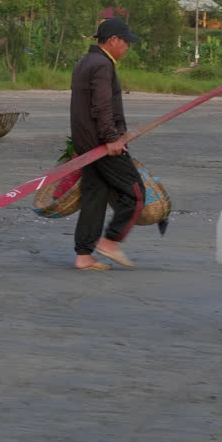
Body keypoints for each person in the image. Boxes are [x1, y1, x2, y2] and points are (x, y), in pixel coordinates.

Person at [69, 19, 144, 271]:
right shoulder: (102, 64)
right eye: (125, 42)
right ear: (113, 40)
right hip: (102, 145)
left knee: (95, 195)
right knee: (135, 193)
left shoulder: (85, 61)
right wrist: (112, 139)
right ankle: (110, 241)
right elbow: (101, 106)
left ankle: (83, 256)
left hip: (86, 143)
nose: (127, 48)